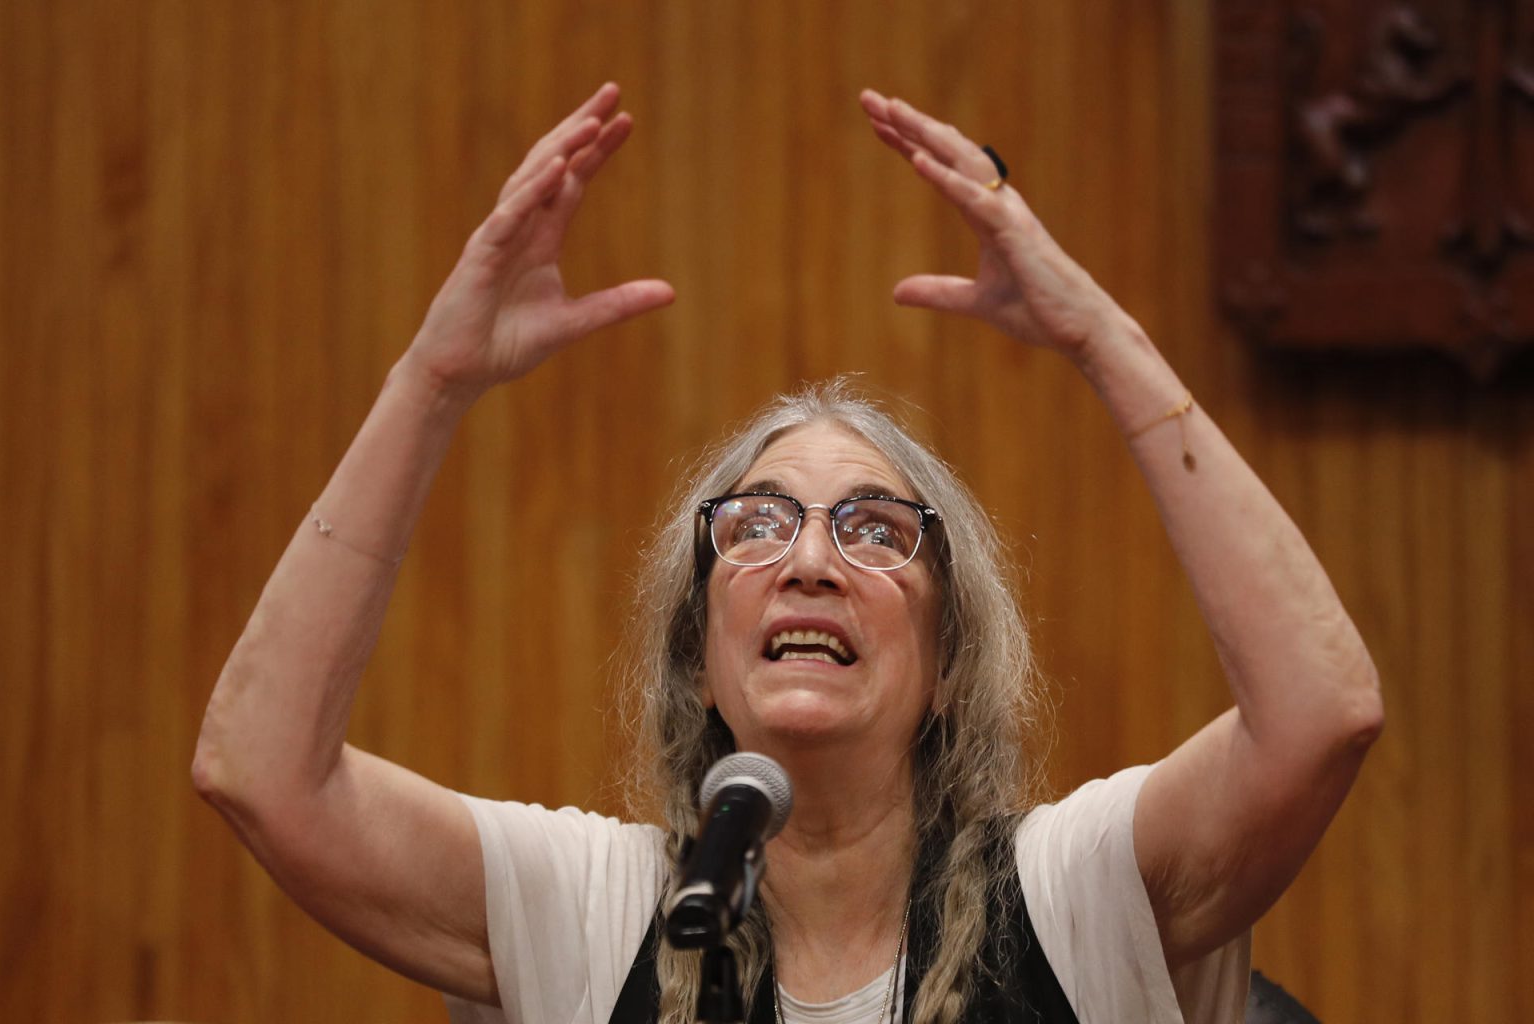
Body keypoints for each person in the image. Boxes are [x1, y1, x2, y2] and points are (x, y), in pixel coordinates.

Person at [192, 83, 1383, 1024]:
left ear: (952, 659)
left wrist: (1099, 339)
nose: (811, 558)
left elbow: (1319, 713)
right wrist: (434, 381)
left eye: (875, 530)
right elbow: (262, 769)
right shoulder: (596, 912)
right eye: (756, 523)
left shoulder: (1076, 893)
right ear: (695, 649)